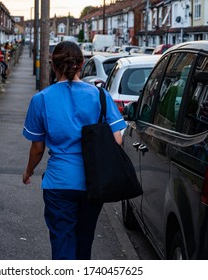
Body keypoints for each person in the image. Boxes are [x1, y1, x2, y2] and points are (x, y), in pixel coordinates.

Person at [22, 41, 126, 260]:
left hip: (58, 183)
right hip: (92, 182)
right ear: (81, 64)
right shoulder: (100, 96)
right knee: (84, 240)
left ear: (53, 65)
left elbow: (38, 147)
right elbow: (117, 139)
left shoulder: (41, 99)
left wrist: (29, 171)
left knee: (62, 241)